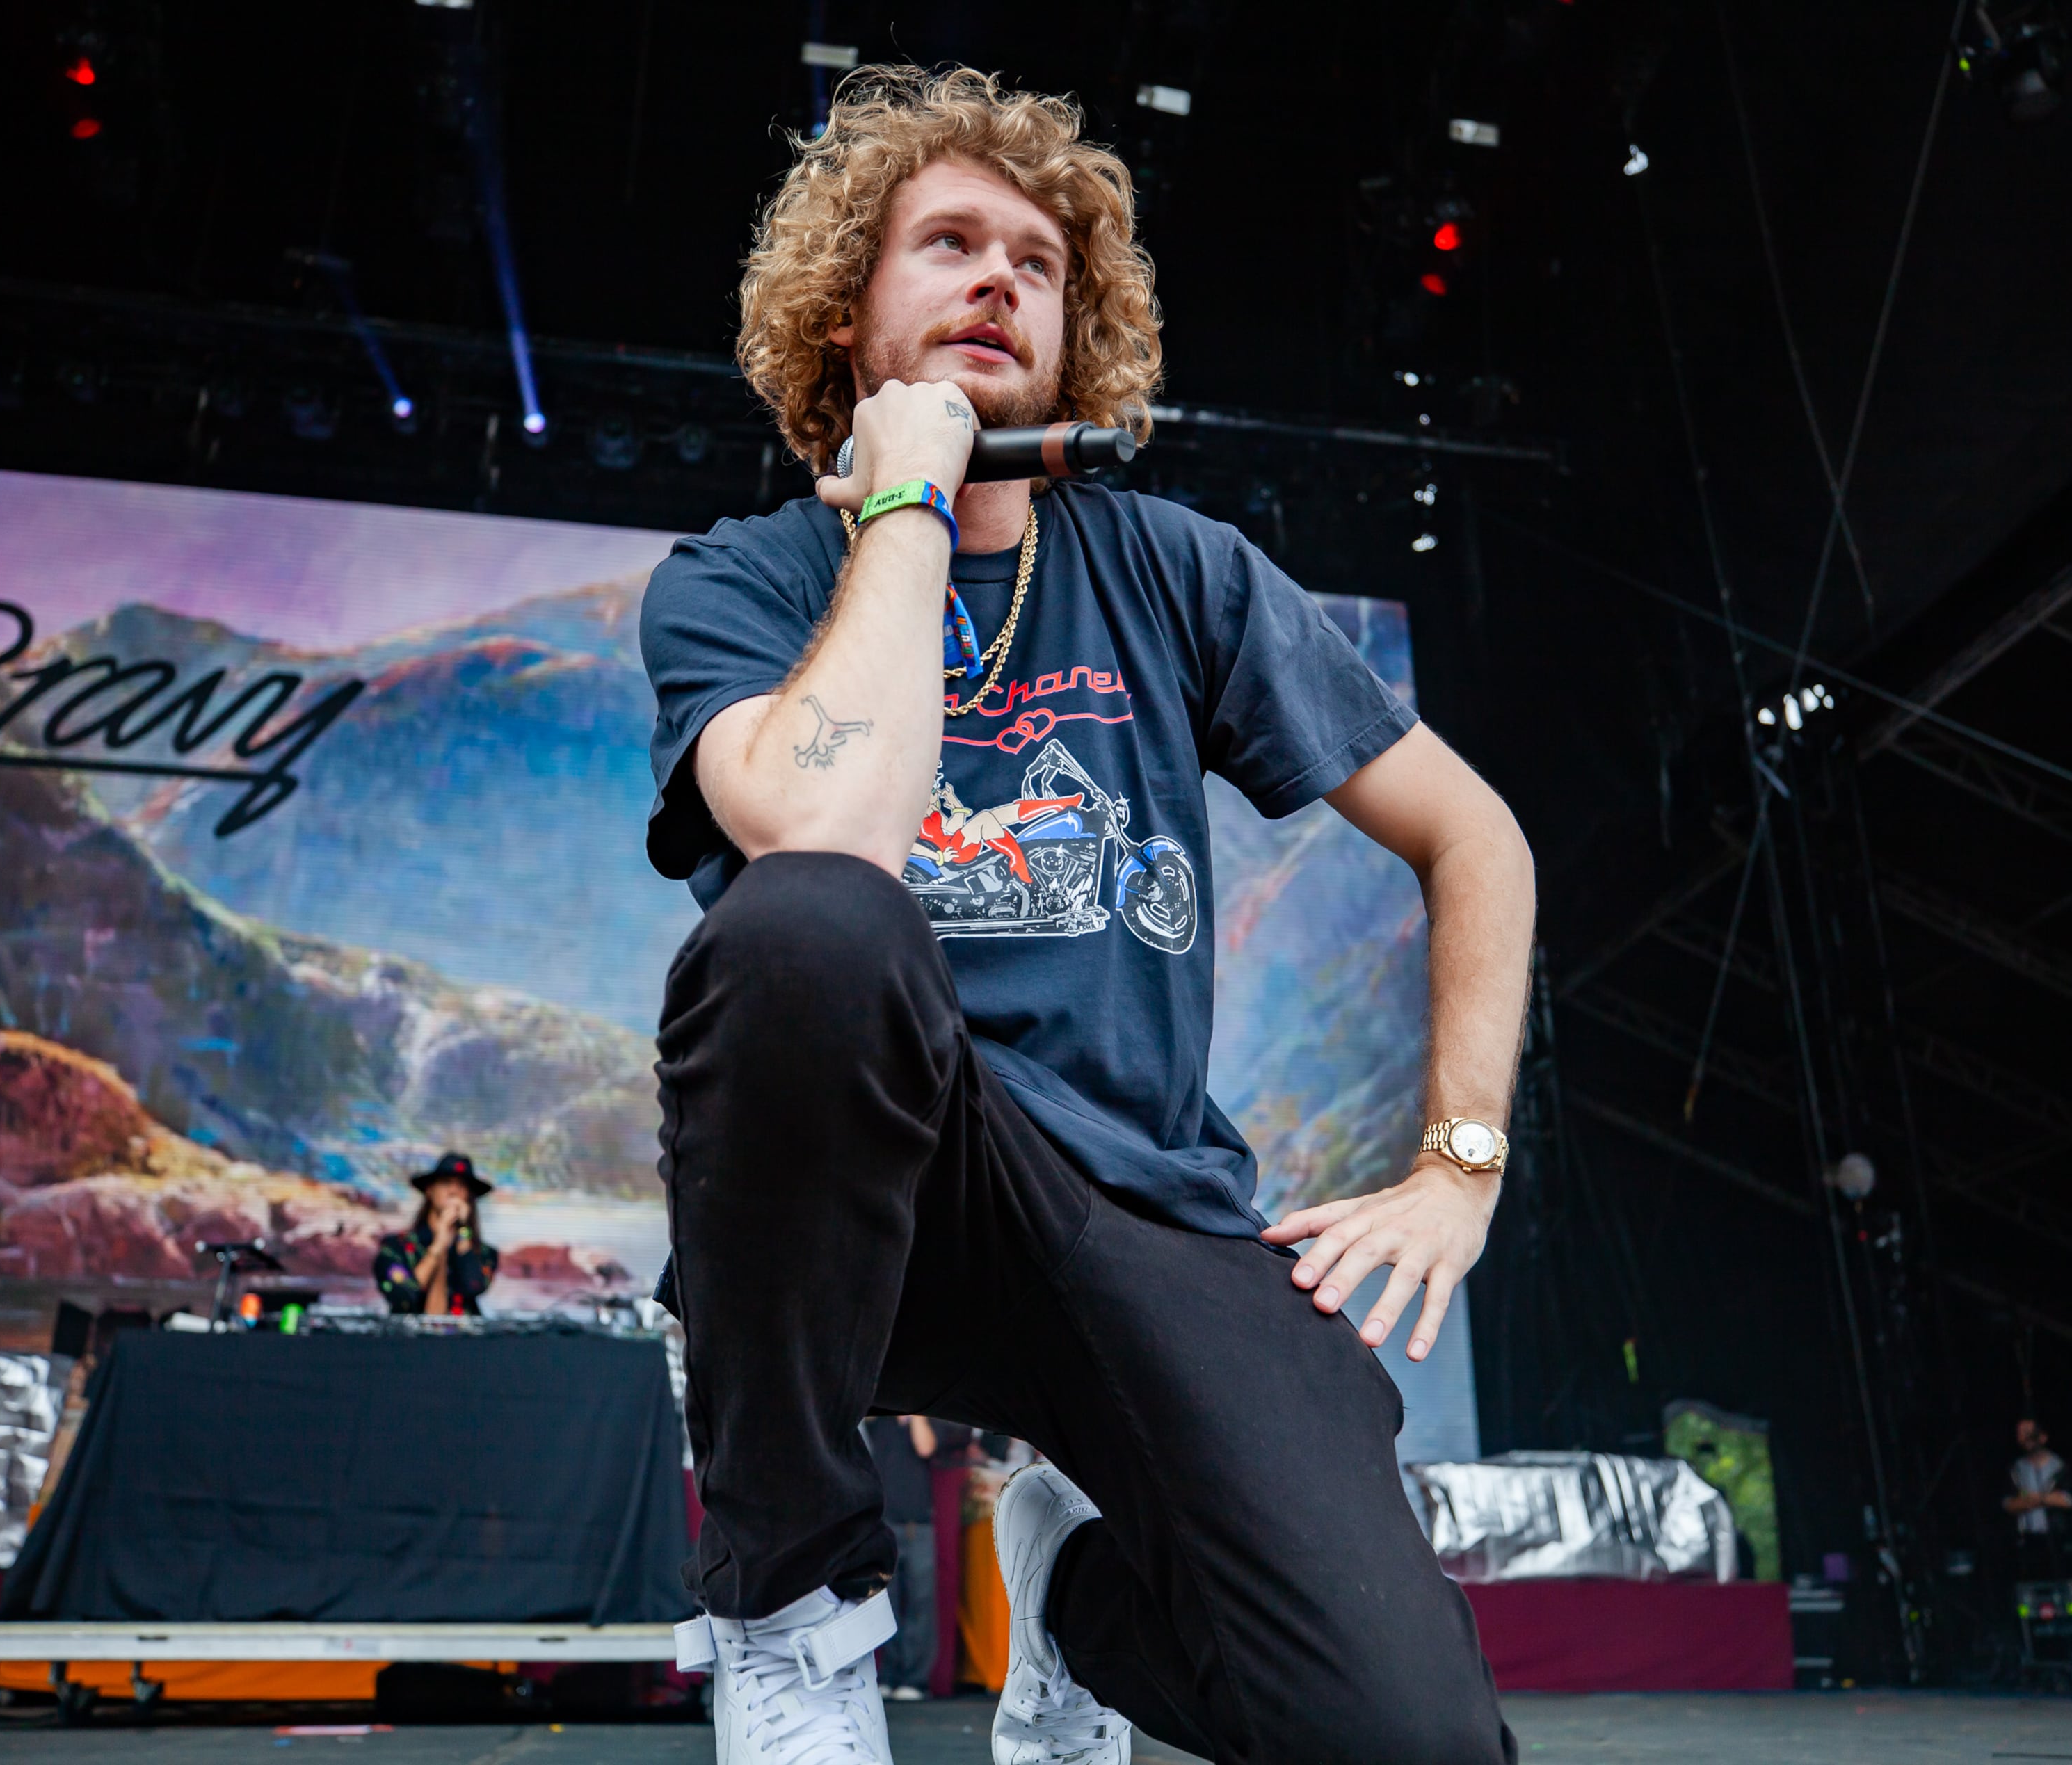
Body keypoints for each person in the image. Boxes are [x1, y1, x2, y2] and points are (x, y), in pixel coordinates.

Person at [646, 65, 1531, 1765]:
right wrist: (905, 500)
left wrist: (1456, 1164)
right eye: (948, 245)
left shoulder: (1175, 569)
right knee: (806, 930)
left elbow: (1474, 833)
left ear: (1077, 330)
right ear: (847, 317)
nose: (998, 278)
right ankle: (791, 1613)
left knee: (1406, 1740)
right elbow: (824, 829)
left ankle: (1070, 1606)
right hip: (869, 1198)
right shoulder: (740, 582)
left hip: (1135, 1202)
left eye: (1036, 264)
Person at [862, 1414, 972, 1700]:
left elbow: (926, 1448)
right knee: (887, 1603)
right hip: (886, 1523)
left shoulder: (925, 1423)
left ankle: (916, 1679)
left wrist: (915, 1417)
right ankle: (888, 1675)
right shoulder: (880, 1423)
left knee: (921, 1605)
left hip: (919, 1524)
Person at [373, 1152, 497, 1318]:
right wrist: (438, 1246)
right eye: (446, 1183)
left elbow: (473, 1287)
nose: (454, 1191)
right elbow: (403, 1297)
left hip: (462, 1342)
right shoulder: (396, 1247)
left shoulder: (484, 1253)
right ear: (430, 1190)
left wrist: (463, 1232)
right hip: (409, 1342)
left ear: (469, 1196)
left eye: (462, 1186)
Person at [2005, 1417, 2072, 1580]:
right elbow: (2009, 1504)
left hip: (2059, 1537)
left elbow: (2068, 1500)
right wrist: (2041, 1499)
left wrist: (2036, 1498)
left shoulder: (2060, 1465)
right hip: (2028, 1539)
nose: (2026, 1438)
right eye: (2021, 1434)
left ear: (2043, 1437)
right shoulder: (2015, 1469)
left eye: (2030, 1433)